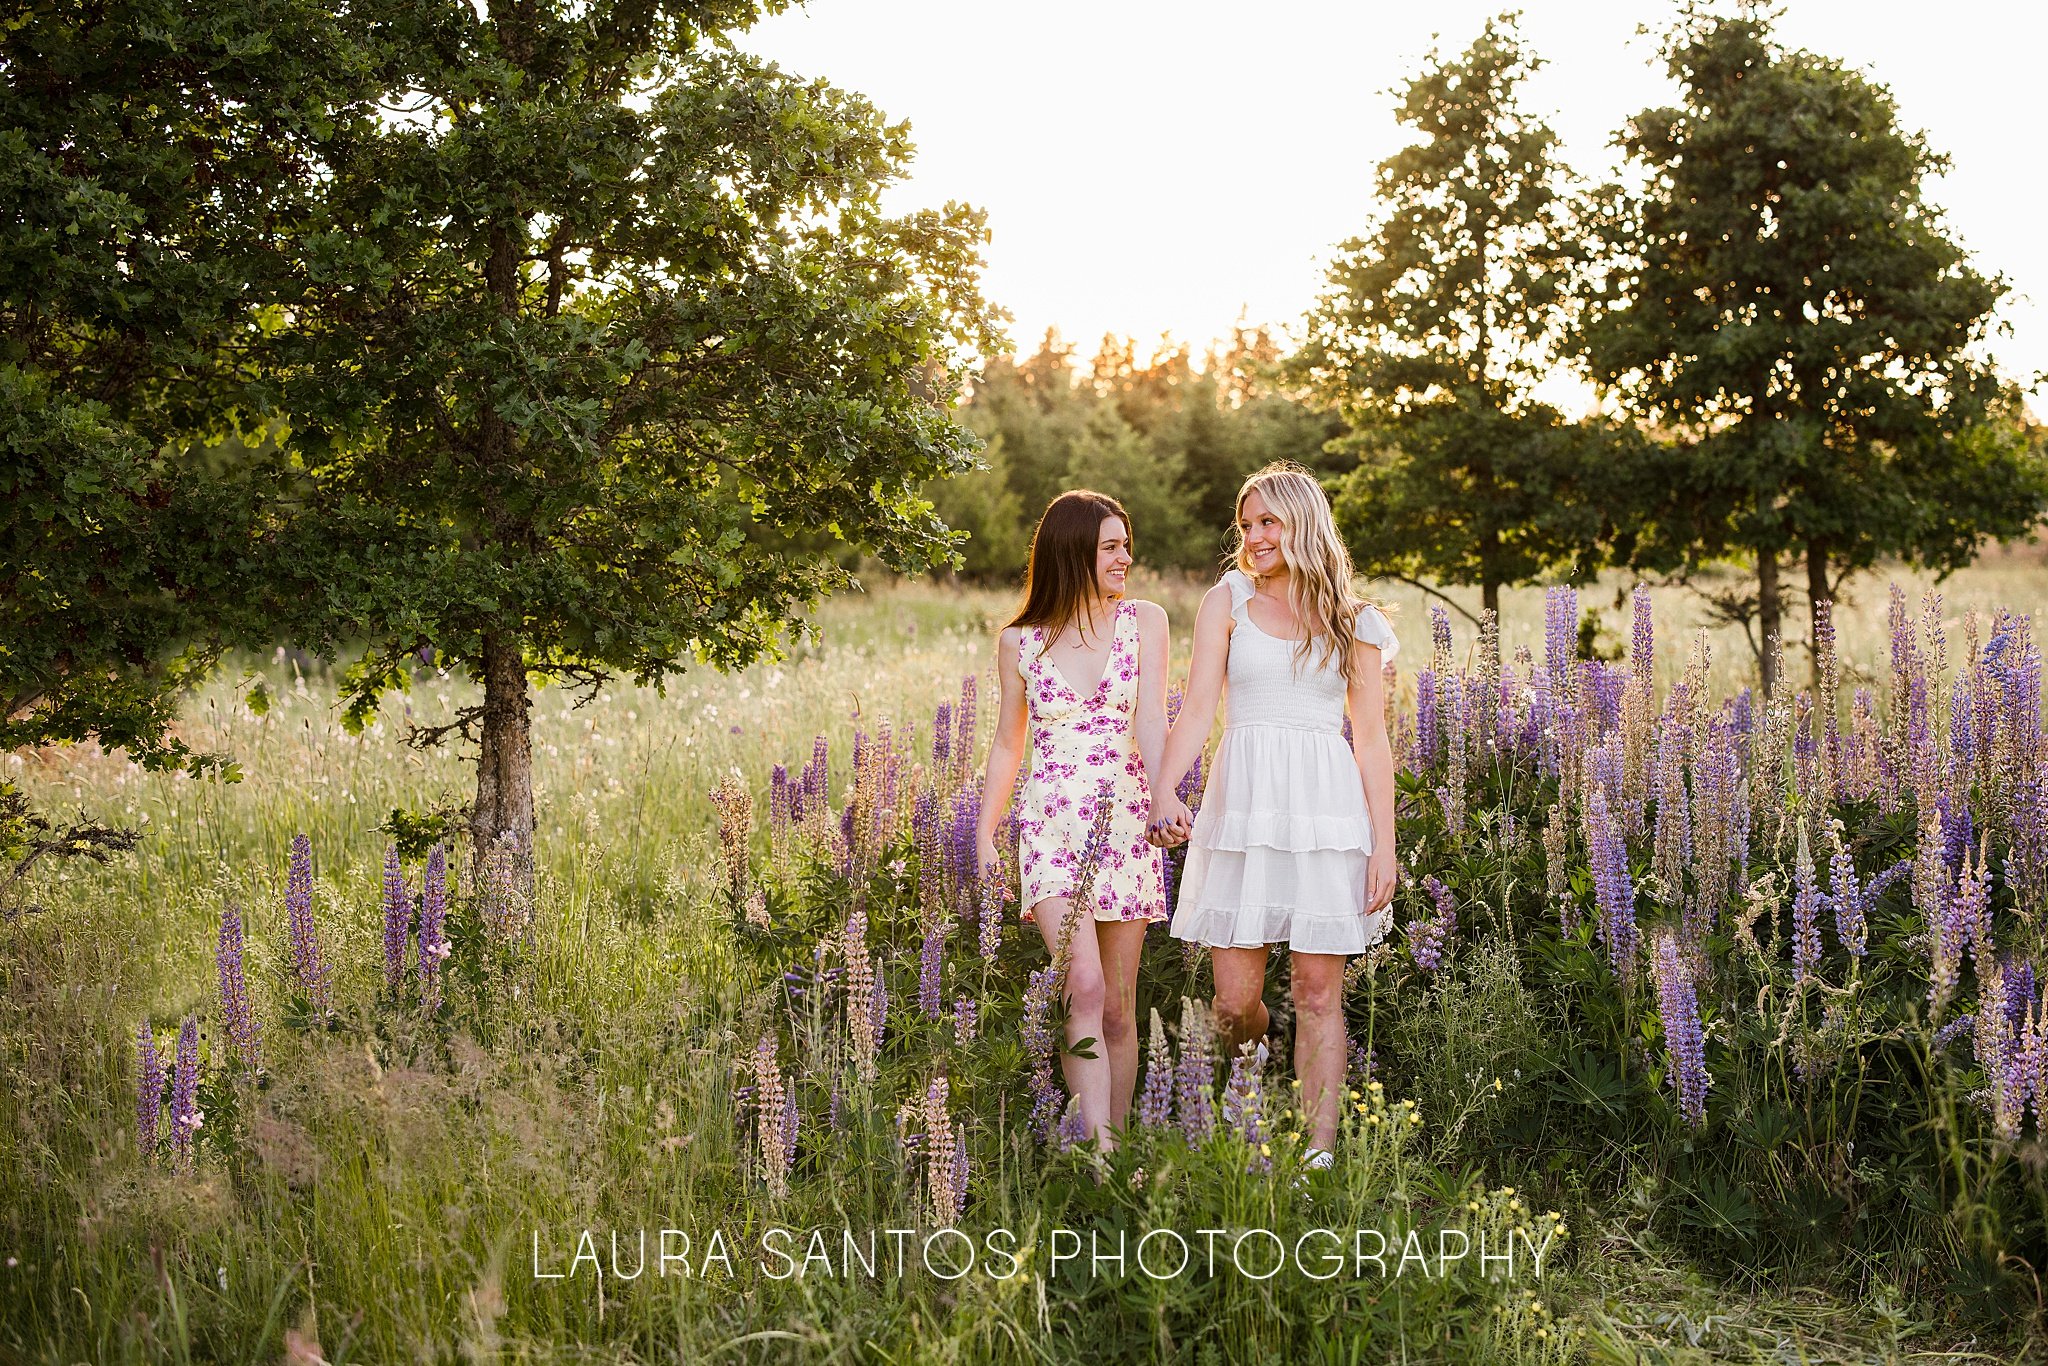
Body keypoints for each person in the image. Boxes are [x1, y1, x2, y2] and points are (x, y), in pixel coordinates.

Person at [1147, 462, 1399, 1167]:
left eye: (1267, 523)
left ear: (1302, 522)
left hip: (1326, 811)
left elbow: (1372, 740)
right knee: (1234, 1003)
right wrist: (1166, 789)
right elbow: (1197, 706)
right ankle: (1254, 1075)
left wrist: (1385, 844)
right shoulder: (1226, 600)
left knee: (1318, 992)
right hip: (1245, 807)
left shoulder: (1358, 621)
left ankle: (1315, 1156)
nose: (1253, 537)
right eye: (1246, 525)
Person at [976, 490, 1171, 1149]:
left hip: (1129, 826)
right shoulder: (1020, 642)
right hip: (1052, 830)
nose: (1126, 556)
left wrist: (1168, 796)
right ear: (1073, 553)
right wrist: (983, 834)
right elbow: (1009, 743)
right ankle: (1099, 1158)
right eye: (1111, 546)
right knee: (1080, 985)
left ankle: (1111, 1152)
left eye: (1126, 543)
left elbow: (1152, 720)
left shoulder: (1145, 622)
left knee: (1117, 1007)